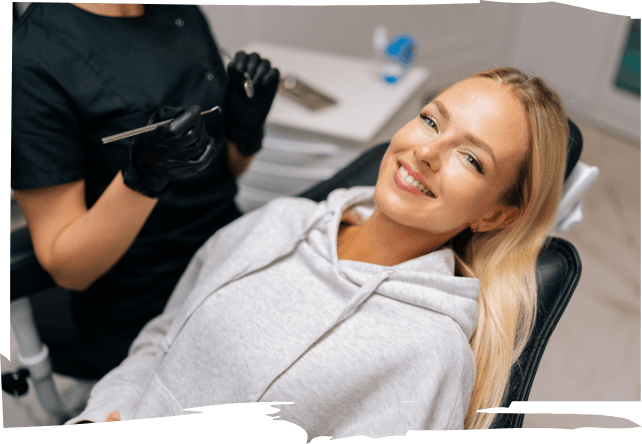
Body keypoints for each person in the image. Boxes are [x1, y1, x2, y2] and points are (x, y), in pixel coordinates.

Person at [65, 67, 569, 437]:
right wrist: (100, 417)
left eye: (470, 157)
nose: (426, 152)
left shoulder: (428, 352)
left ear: (495, 215)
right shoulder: (281, 221)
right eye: (431, 121)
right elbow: (160, 340)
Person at [10, 3, 279, 379]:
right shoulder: (31, 61)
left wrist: (246, 128)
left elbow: (224, 173)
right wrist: (144, 174)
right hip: (144, 301)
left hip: (229, 253)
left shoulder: (180, 12)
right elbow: (69, 268)